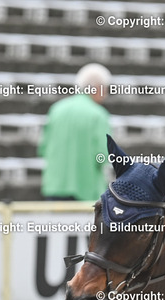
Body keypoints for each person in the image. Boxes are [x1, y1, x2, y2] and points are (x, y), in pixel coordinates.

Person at [38, 63, 111, 201]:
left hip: (55, 186)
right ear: (97, 88)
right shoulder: (98, 115)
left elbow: (43, 148)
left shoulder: (56, 110)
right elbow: (102, 154)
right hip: (86, 189)